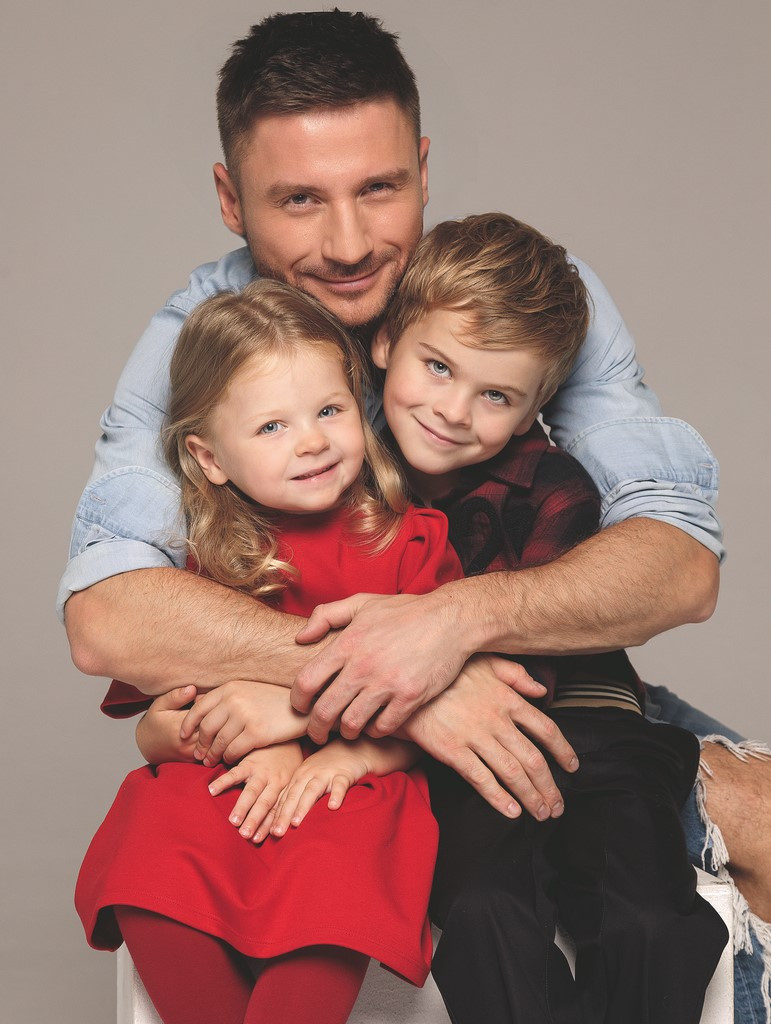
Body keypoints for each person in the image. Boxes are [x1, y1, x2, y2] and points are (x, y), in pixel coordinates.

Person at [60, 10, 770, 1019]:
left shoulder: (509, 297)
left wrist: (449, 628)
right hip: (335, 721)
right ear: (229, 198)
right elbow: (107, 616)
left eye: (379, 189)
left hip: (542, 682)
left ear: (424, 172)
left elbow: (678, 565)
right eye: (299, 199)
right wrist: (404, 687)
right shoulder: (200, 341)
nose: (349, 243)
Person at [76, 278, 481, 1024]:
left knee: (337, 880)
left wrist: (331, 749)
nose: (312, 440)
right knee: (153, 844)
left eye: (329, 410)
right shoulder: (200, 566)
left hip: (346, 786)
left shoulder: (411, 543)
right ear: (209, 458)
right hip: (228, 788)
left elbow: (440, 707)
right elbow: (156, 730)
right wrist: (198, 736)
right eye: (271, 426)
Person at [364, 211, 729, 1022]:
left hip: (592, 730)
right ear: (385, 340)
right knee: (482, 914)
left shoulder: (555, 485)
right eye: (437, 367)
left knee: (649, 923)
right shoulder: (348, 488)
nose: (453, 410)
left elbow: (522, 654)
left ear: (538, 405)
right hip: (464, 752)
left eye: (494, 395)